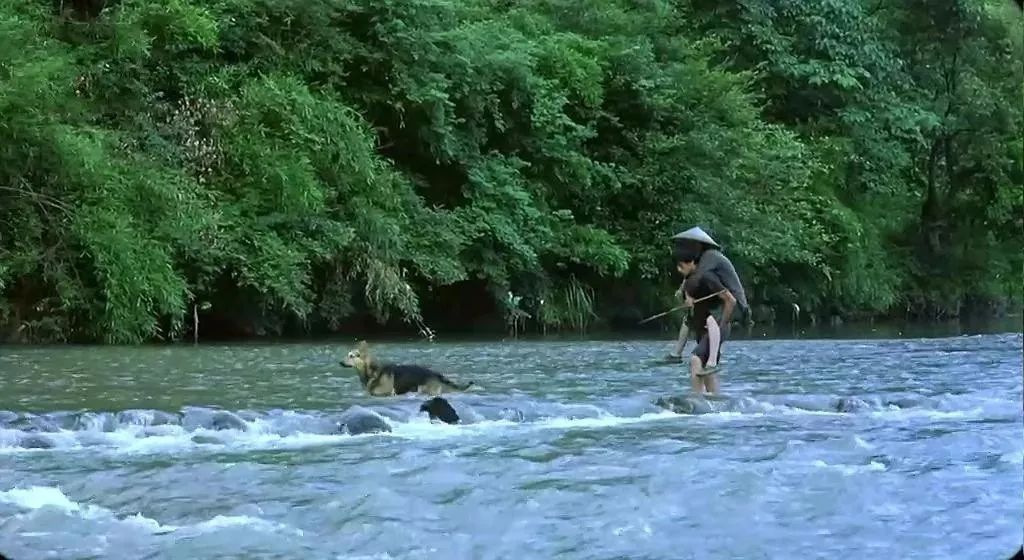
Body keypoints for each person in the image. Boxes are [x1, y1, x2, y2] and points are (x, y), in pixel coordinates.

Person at [669, 227, 750, 394]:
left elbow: (697, 281)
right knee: (704, 360)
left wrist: (687, 295)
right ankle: (714, 400)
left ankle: (697, 398)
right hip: (715, 307)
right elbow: (691, 283)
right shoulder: (700, 265)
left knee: (696, 358)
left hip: (731, 307)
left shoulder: (710, 257)